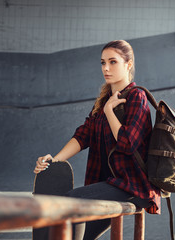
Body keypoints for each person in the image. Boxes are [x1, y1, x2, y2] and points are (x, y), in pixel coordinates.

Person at [33, 40, 161, 240]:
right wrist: (54, 161)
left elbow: (127, 143)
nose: (106, 68)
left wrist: (110, 111)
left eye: (113, 62)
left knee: (72, 202)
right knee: (71, 233)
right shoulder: (103, 101)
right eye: (103, 63)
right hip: (107, 185)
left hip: (131, 185)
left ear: (128, 64)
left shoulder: (137, 97)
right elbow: (83, 135)